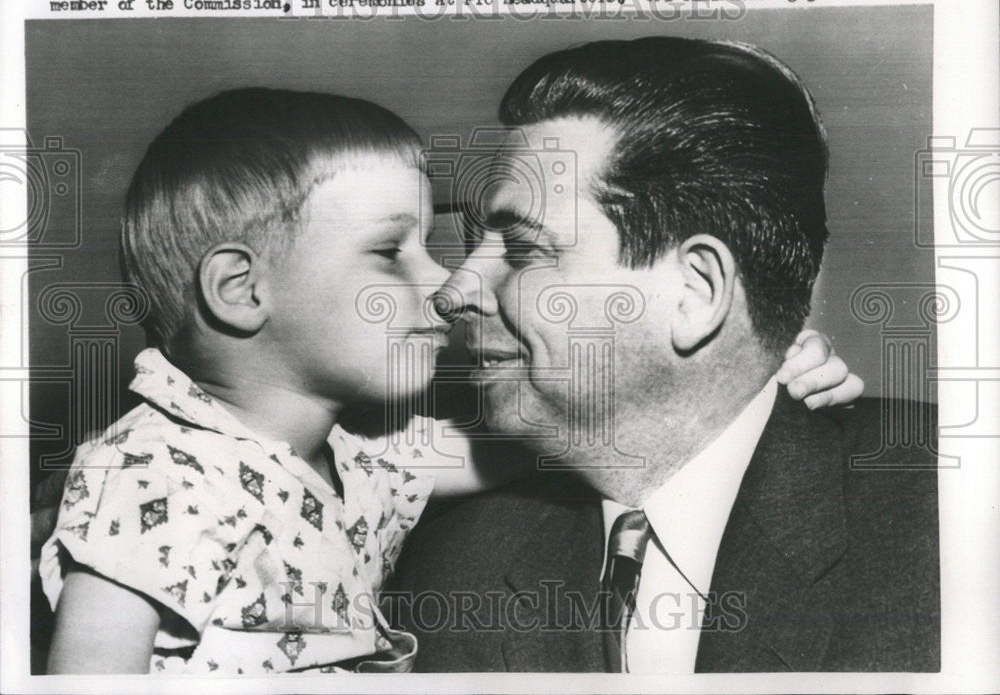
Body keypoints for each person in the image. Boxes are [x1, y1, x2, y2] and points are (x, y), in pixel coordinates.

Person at [36, 87, 857, 675]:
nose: (448, 284)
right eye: (392, 251)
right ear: (242, 292)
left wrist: (750, 361)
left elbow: (552, 429)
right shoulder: (150, 474)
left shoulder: (369, 461)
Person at [387, 37, 940, 672]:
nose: (456, 291)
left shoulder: (952, 519)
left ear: (695, 292)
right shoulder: (457, 570)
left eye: (523, 250)